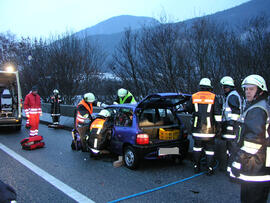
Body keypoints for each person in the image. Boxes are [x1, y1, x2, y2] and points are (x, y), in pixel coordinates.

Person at [228, 74, 270, 203]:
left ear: (260, 90)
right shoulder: (259, 106)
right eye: (246, 89)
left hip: (254, 167)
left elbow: (253, 143)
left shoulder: (257, 110)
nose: (247, 92)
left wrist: (237, 163)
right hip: (260, 165)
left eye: (251, 89)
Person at [184, 78, 222, 175]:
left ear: (200, 87)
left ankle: (196, 167)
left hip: (197, 129)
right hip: (209, 130)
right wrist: (218, 127)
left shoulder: (194, 96)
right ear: (209, 87)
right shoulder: (213, 97)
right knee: (210, 150)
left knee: (197, 148)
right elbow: (217, 114)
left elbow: (188, 109)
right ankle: (209, 168)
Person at [220, 76, 242, 165]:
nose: (223, 89)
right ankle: (230, 166)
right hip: (232, 125)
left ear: (229, 87)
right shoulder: (232, 95)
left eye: (224, 87)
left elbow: (236, 111)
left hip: (232, 126)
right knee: (230, 147)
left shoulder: (232, 96)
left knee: (232, 147)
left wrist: (231, 124)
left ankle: (231, 167)